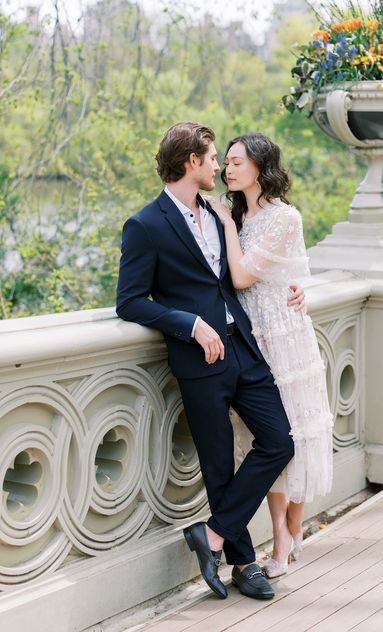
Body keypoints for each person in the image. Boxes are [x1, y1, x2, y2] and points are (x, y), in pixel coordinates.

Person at [115, 122, 307, 600]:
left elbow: (265, 264)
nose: (219, 166)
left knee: (280, 441)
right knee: (219, 463)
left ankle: (213, 534)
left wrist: (300, 288)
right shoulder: (145, 225)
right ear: (190, 163)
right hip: (198, 357)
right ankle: (244, 563)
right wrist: (188, 324)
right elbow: (130, 301)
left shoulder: (224, 213)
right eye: (212, 158)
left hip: (243, 345)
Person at [207, 132, 333, 578]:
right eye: (225, 162)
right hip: (251, 336)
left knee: (294, 430)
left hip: (283, 334)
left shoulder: (284, 218)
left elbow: (242, 276)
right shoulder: (238, 217)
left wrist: (224, 224)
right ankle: (280, 530)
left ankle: (291, 527)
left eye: (237, 161)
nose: (227, 168)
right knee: (268, 436)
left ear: (261, 166)